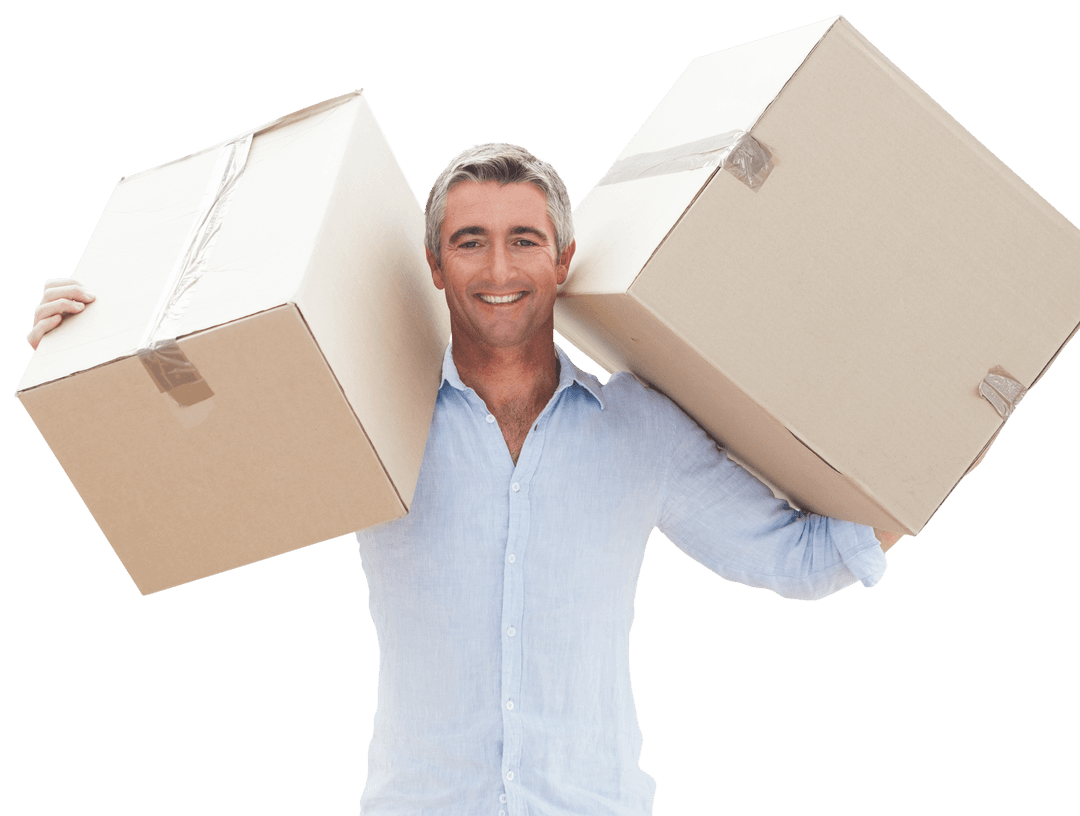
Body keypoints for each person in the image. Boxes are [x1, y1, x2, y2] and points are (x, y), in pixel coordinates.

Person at [29, 142, 901, 815]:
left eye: (524, 241)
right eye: (470, 242)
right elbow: (194, 474)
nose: (498, 271)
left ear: (562, 260)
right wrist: (87, 352)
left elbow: (801, 559)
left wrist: (931, 432)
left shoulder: (639, 425)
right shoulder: (370, 411)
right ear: (436, 264)